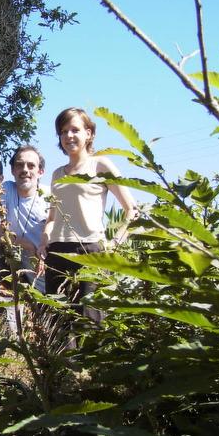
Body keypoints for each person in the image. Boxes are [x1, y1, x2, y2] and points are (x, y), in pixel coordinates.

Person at [38, 107, 137, 317]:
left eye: (75, 130)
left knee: (90, 322)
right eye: (63, 131)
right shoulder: (57, 174)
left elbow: (132, 210)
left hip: (90, 251)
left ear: (89, 133)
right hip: (56, 253)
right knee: (57, 324)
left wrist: (115, 244)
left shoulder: (100, 165)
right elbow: (52, 217)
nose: (68, 136)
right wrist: (44, 240)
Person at [0, 145, 49, 293]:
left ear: (41, 171)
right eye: (19, 165)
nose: (25, 170)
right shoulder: (6, 189)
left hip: (45, 268)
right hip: (16, 263)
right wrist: (24, 243)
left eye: (31, 166)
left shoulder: (50, 197)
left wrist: (41, 252)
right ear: (13, 170)